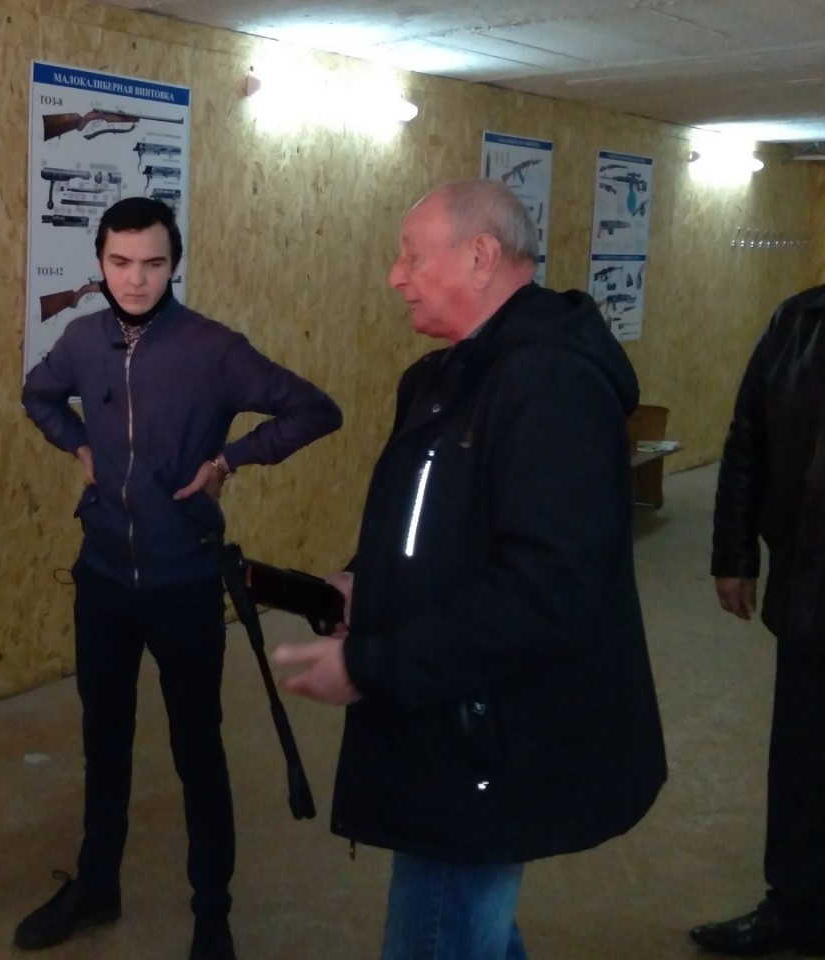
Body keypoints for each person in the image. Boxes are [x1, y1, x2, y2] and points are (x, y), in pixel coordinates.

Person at [273, 179, 667, 960]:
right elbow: (432, 524)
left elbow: (545, 589)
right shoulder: (442, 377)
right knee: (467, 928)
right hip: (445, 707)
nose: (396, 275)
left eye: (413, 256)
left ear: (481, 256)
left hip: (488, 731)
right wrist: (364, 580)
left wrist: (371, 663)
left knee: (440, 932)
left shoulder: (551, 385)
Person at [18, 197, 342, 960]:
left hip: (184, 582)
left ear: (174, 265)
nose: (135, 279)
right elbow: (38, 394)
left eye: (153, 263)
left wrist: (232, 458)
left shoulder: (213, 349)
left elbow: (313, 410)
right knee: (104, 741)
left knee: (199, 750)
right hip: (103, 578)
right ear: (100, 263)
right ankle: (97, 886)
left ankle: (212, 915)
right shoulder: (82, 339)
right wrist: (78, 445)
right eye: (120, 262)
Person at [689, 284, 825, 957]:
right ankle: (795, 908)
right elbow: (749, 440)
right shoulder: (798, 321)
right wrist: (733, 554)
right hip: (812, 586)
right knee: (803, 757)